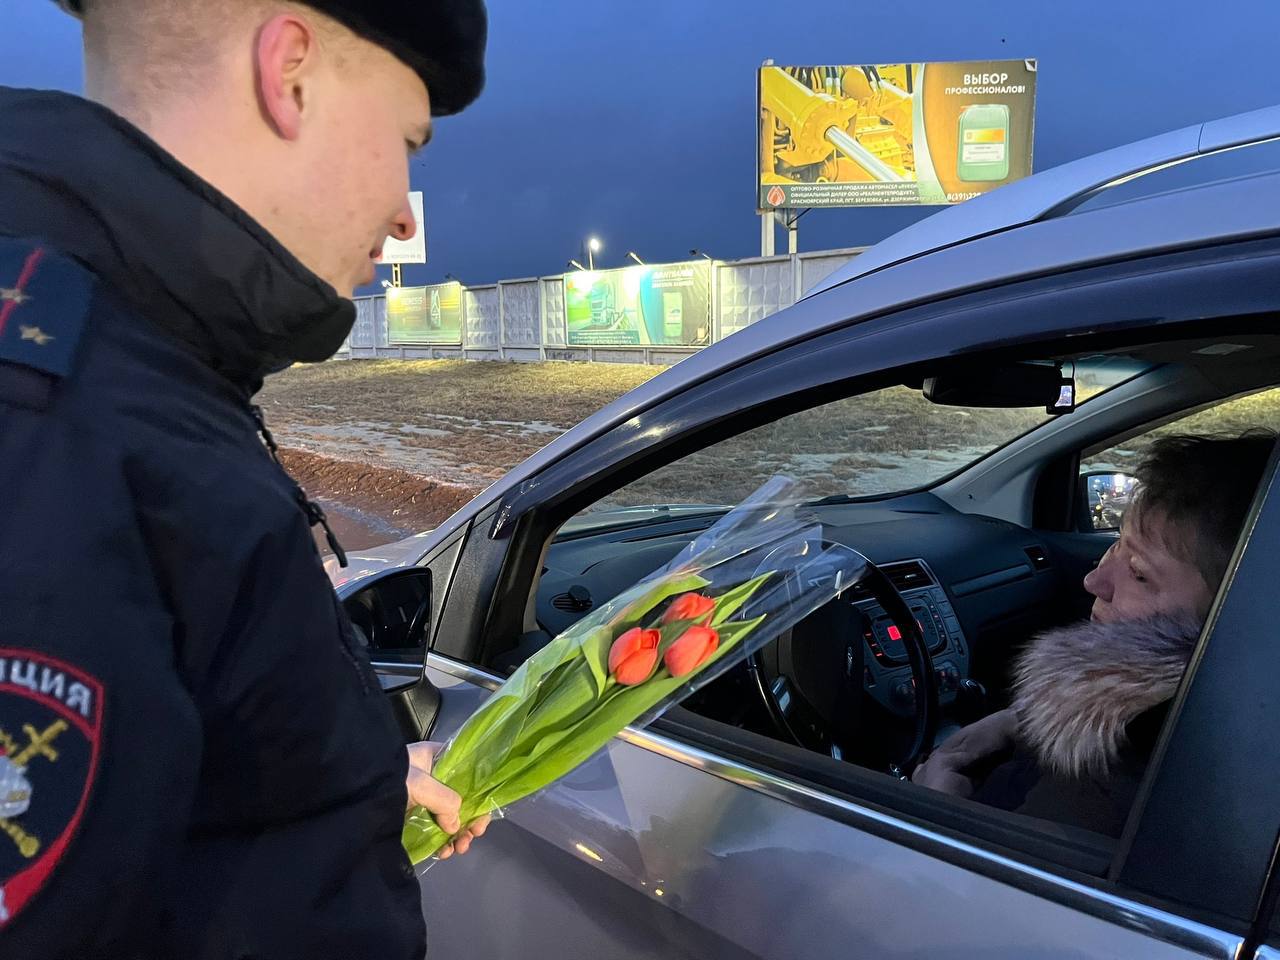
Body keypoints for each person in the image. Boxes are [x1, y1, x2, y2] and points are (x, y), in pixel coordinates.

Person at [0, 1, 487, 956]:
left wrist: (328, 776)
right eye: (407, 141)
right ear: (291, 71)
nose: (400, 208)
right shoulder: (59, 424)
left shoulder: (129, 363)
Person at [913, 432, 1276, 836]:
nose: (1094, 580)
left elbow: (972, 892)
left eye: (1139, 573)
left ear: (1238, 615)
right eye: (1116, 543)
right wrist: (1022, 720)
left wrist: (937, 815)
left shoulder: (1109, 789)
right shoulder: (1215, 724)